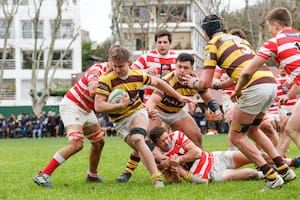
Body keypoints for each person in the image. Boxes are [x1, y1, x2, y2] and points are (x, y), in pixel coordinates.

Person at [183, 14, 296, 190]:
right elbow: (240, 70)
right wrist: (219, 85)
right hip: (269, 82)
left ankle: (271, 176)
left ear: (205, 33)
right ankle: (284, 169)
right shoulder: (236, 39)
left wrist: (193, 83)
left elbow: (204, 83)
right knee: (253, 129)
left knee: (237, 137)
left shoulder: (212, 44)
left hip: (254, 87)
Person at [94, 45, 194, 187]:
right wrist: (119, 106)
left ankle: (157, 179)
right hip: (119, 121)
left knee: (138, 139)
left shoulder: (137, 74)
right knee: (148, 150)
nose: (117, 69)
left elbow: (159, 83)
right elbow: (98, 106)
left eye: (120, 66)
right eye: (115, 66)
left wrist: (179, 96)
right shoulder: (106, 79)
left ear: (129, 62)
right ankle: (183, 174)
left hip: (137, 113)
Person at [115, 53, 223, 183]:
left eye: (186, 68)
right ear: (175, 66)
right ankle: (128, 171)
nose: (182, 70)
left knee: (196, 137)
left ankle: (202, 169)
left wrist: (216, 110)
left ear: (192, 69)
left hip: (177, 112)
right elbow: (153, 100)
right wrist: (149, 110)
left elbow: (209, 98)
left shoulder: (195, 81)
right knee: (146, 140)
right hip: (158, 111)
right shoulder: (169, 80)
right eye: (179, 67)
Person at [32, 45, 116, 188]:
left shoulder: (118, 73)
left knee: (99, 142)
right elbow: (93, 90)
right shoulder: (97, 70)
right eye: (117, 64)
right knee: (77, 144)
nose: (120, 68)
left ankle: (92, 175)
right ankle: (42, 175)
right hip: (72, 106)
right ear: (110, 60)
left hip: (87, 110)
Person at [232, 7, 300, 167]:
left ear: (276, 25)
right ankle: (282, 164)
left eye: (269, 27)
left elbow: (248, 72)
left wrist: (238, 89)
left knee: (293, 129)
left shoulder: (274, 42)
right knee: (291, 129)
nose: (269, 31)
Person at [149, 126, 264, 184]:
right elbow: (173, 181)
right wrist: (174, 168)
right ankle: (267, 175)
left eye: (167, 138)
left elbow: (197, 153)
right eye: (162, 141)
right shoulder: (159, 159)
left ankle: (281, 163)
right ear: (156, 144)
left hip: (214, 157)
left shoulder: (176, 135)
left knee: (255, 155)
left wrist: (177, 160)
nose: (167, 142)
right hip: (211, 174)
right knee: (251, 174)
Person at [131, 29, 177, 103]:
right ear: (155, 43)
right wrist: (146, 71)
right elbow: (131, 71)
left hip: (170, 102)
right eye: (159, 42)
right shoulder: (146, 57)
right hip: (150, 101)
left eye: (165, 42)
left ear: (170, 43)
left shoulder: (176, 58)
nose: (162, 45)